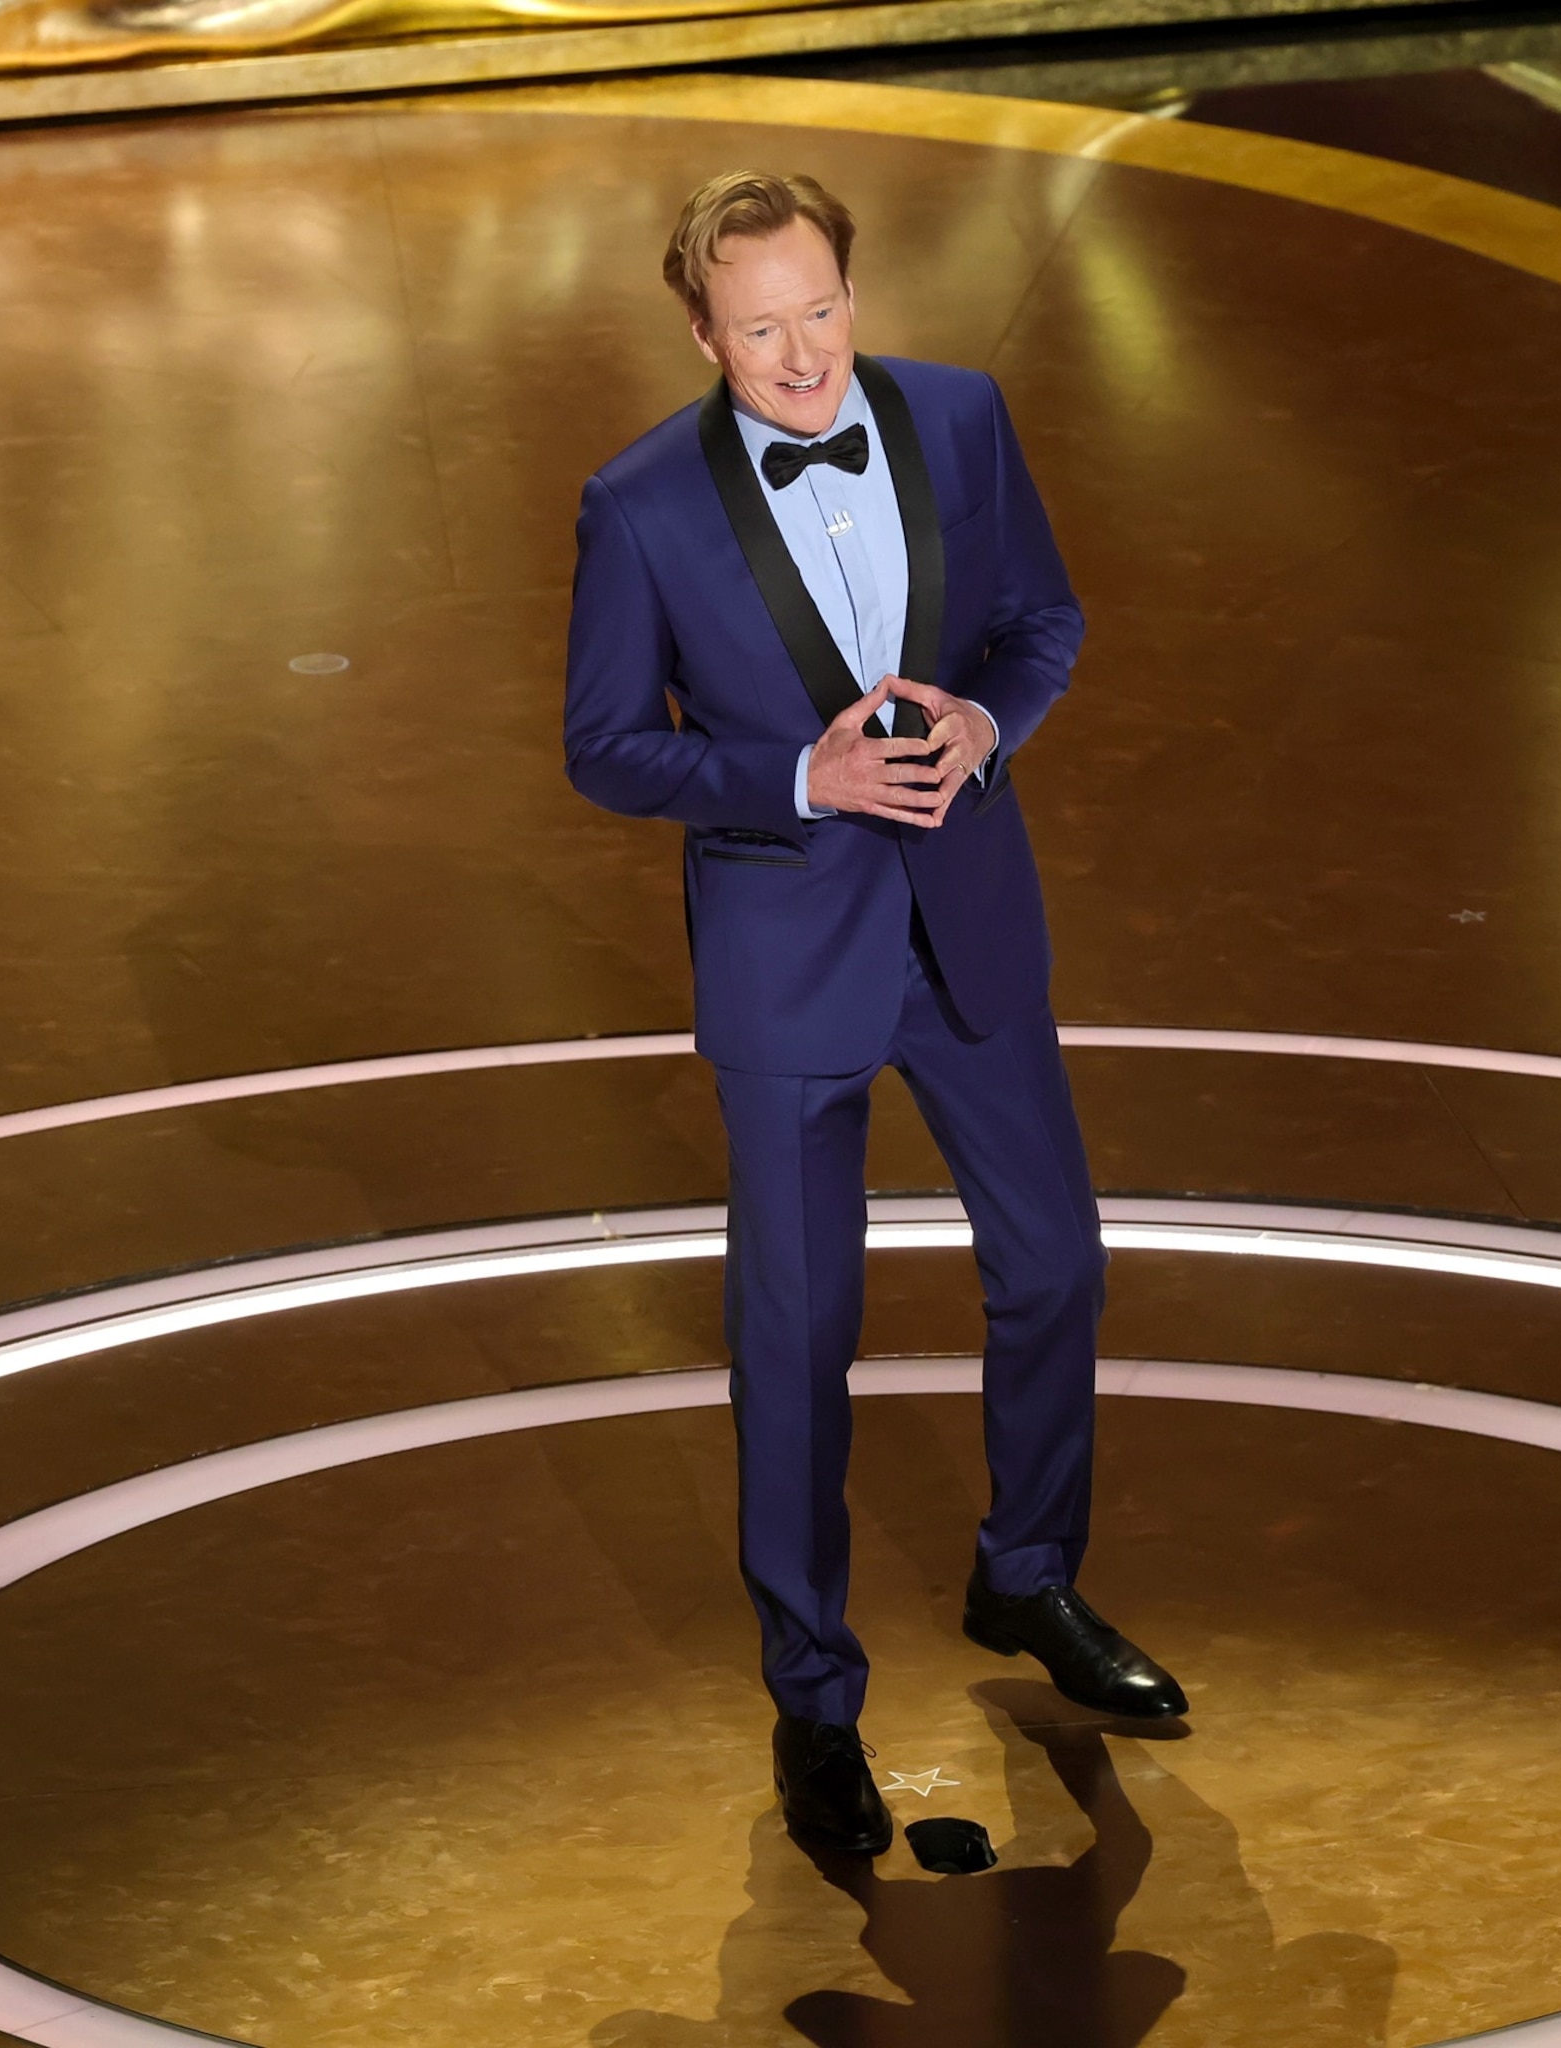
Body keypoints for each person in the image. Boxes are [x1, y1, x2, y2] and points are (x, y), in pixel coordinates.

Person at [563, 170, 1186, 1858]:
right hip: (788, 961)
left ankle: (1027, 1578)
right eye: (760, 328)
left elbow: (1042, 619)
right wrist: (797, 776)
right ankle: (814, 1698)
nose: (803, 355)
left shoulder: (961, 418)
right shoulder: (639, 505)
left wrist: (987, 721)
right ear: (701, 332)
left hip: (965, 922)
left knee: (1057, 1267)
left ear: (853, 288)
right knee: (795, 1341)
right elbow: (606, 746)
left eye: (822, 309)